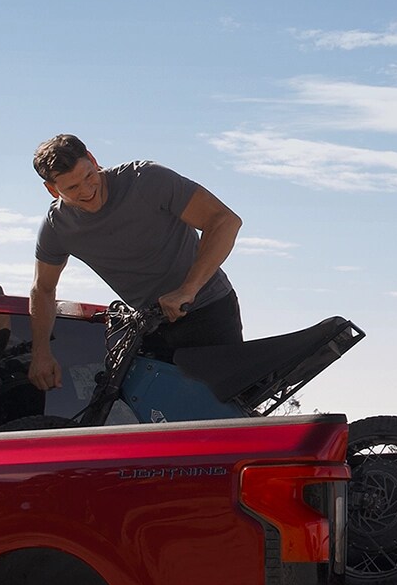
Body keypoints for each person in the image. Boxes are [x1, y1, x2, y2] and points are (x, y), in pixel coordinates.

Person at [26, 134, 246, 392]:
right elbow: (42, 289)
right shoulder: (57, 227)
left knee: (222, 410)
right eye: (72, 189)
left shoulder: (146, 180)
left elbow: (224, 221)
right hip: (151, 325)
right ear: (52, 190)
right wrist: (40, 352)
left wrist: (188, 288)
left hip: (209, 310)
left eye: (88, 176)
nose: (87, 191)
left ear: (93, 159)